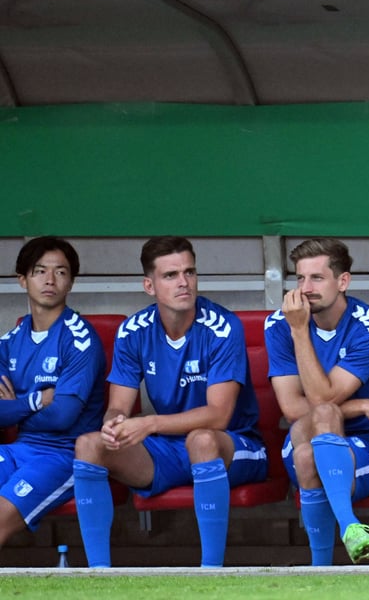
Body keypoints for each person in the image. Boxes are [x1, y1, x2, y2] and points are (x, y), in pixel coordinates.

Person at [73, 236, 267, 568]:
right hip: (171, 450)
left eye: (189, 272)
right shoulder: (133, 330)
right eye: (170, 275)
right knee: (89, 445)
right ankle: (97, 575)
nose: (183, 282)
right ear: (149, 285)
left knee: (202, 439)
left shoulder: (221, 327)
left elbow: (218, 416)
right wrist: (113, 423)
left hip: (235, 447)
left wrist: (149, 423)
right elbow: (119, 404)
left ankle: (211, 573)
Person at [266, 238, 369, 566]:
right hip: (309, 430)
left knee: (306, 455)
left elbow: (321, 398)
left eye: (317, 278)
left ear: (343, 281)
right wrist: (363, 405)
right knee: (317, 428)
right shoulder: (279, 325)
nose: (305, 288)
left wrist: (300, 331)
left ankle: (320, 569)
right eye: (300, 279)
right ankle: (349, 526)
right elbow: (292, 408)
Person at [0, 237, 106, 550]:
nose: (50, 280)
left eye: (60, 272)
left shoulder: (80, 339)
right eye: (40, 271)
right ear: (22, 280)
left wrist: (15, 407)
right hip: (19, 449)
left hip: (64, 456)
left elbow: (63, 416)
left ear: (71, 282)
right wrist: (36, 400)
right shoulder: (8, 342)